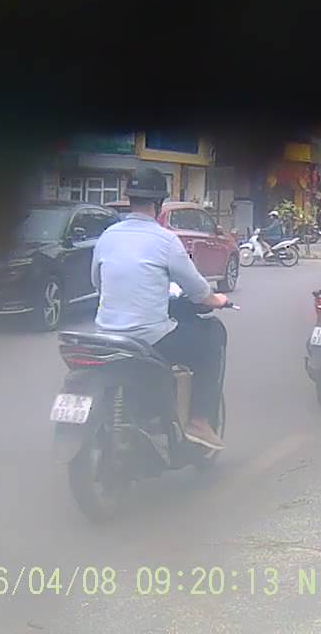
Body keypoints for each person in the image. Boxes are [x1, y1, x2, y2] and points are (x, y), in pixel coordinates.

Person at [92, 168, 229, 450]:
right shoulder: (165, 240)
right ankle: (200, 421)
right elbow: (198, 290)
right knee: (211, 338)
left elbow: (97, 283)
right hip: (148, 337)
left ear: (130, 200)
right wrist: (217, 300)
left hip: (105, 335)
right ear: (158, 203)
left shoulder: (107, 236)